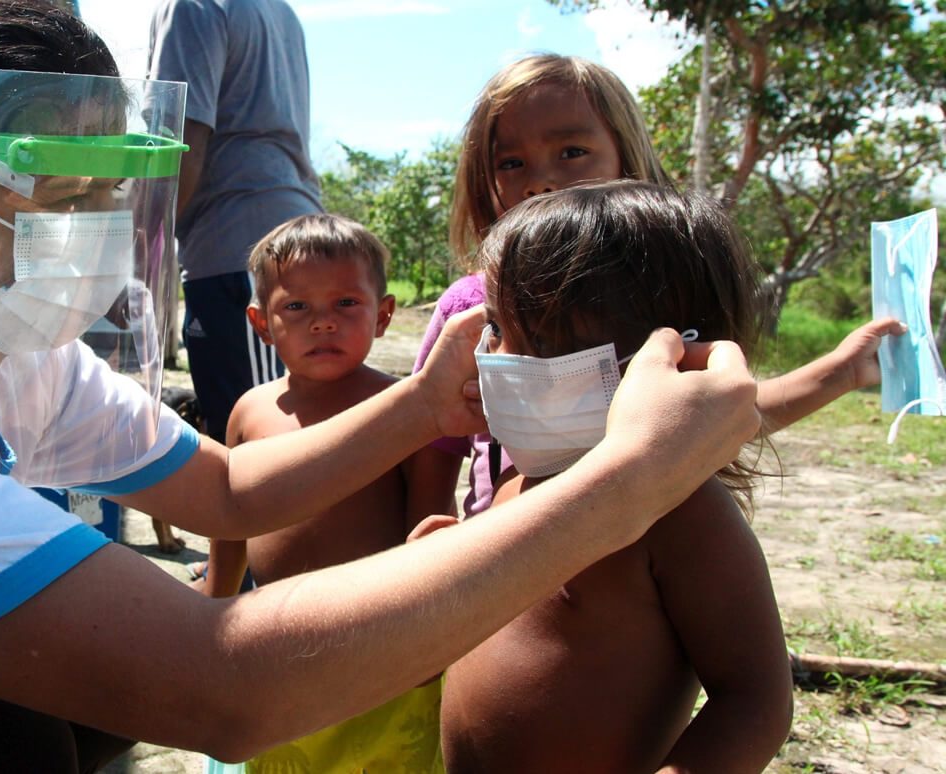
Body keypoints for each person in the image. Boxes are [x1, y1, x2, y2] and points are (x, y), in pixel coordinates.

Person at [0, 4, 762, 771]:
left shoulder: (9, 357)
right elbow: (224, 689)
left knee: (37, 718)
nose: (96, 231)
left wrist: (427, 405)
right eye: (64, 194)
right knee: (18, 734)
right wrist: (627, 481)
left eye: (112, 194)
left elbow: (230, 489)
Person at [413, 53, 908, 518]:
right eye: (510, 162)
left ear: (627, 157)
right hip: (495, 555)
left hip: (646, 546)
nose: (540, 180)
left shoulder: (655, 295)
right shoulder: (471, 309)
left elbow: (725, 412)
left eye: (572, 152)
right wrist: (427, 559)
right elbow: (431, 447)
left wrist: (841, 371)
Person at [434, 180, 793, 772]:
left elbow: (756, 702)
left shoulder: (681, 513)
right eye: (497, 327)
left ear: (679, 354)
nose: (501, 358)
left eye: (543, 338)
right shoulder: (518, 482)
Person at [203, 214, 457, 772]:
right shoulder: (251, 411)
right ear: (261, 323)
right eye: (297, 306)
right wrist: (213, 612)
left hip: (380, 655)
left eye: (346, 303)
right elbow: (229, 519)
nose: (323, 322)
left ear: (383, 315)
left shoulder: (406, 411)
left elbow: (432, 532)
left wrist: (430, 646)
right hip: (274, 652)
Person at [147, 0, 323, 445]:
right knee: (277, 435)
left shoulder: (193, 7)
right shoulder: (278, 12)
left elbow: (180, 143)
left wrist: (138, 253)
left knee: (262, 444)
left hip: (240, 248)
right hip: (283, 235)